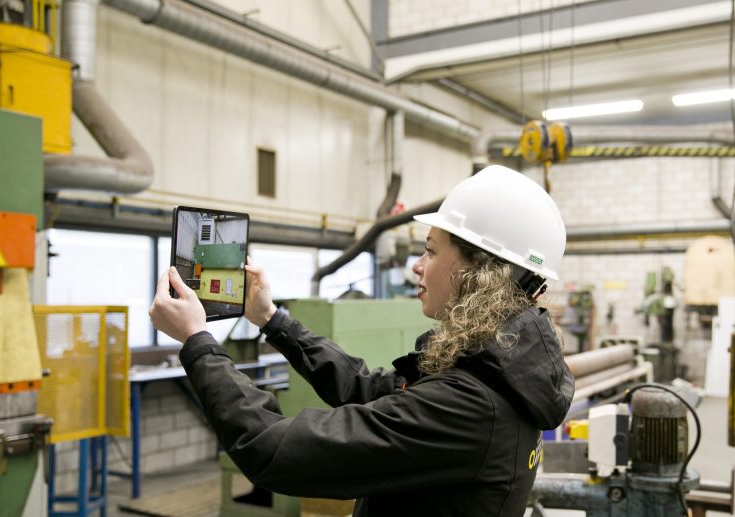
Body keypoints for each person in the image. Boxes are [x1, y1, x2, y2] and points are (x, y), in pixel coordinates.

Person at [149, 165, 574, 516]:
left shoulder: (469, 407)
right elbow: (370, 390)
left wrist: (197, 340)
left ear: (476, 270)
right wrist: (271, 318)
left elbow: (270, 448)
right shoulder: (500, 370)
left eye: (430, 250)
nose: (417, 267)